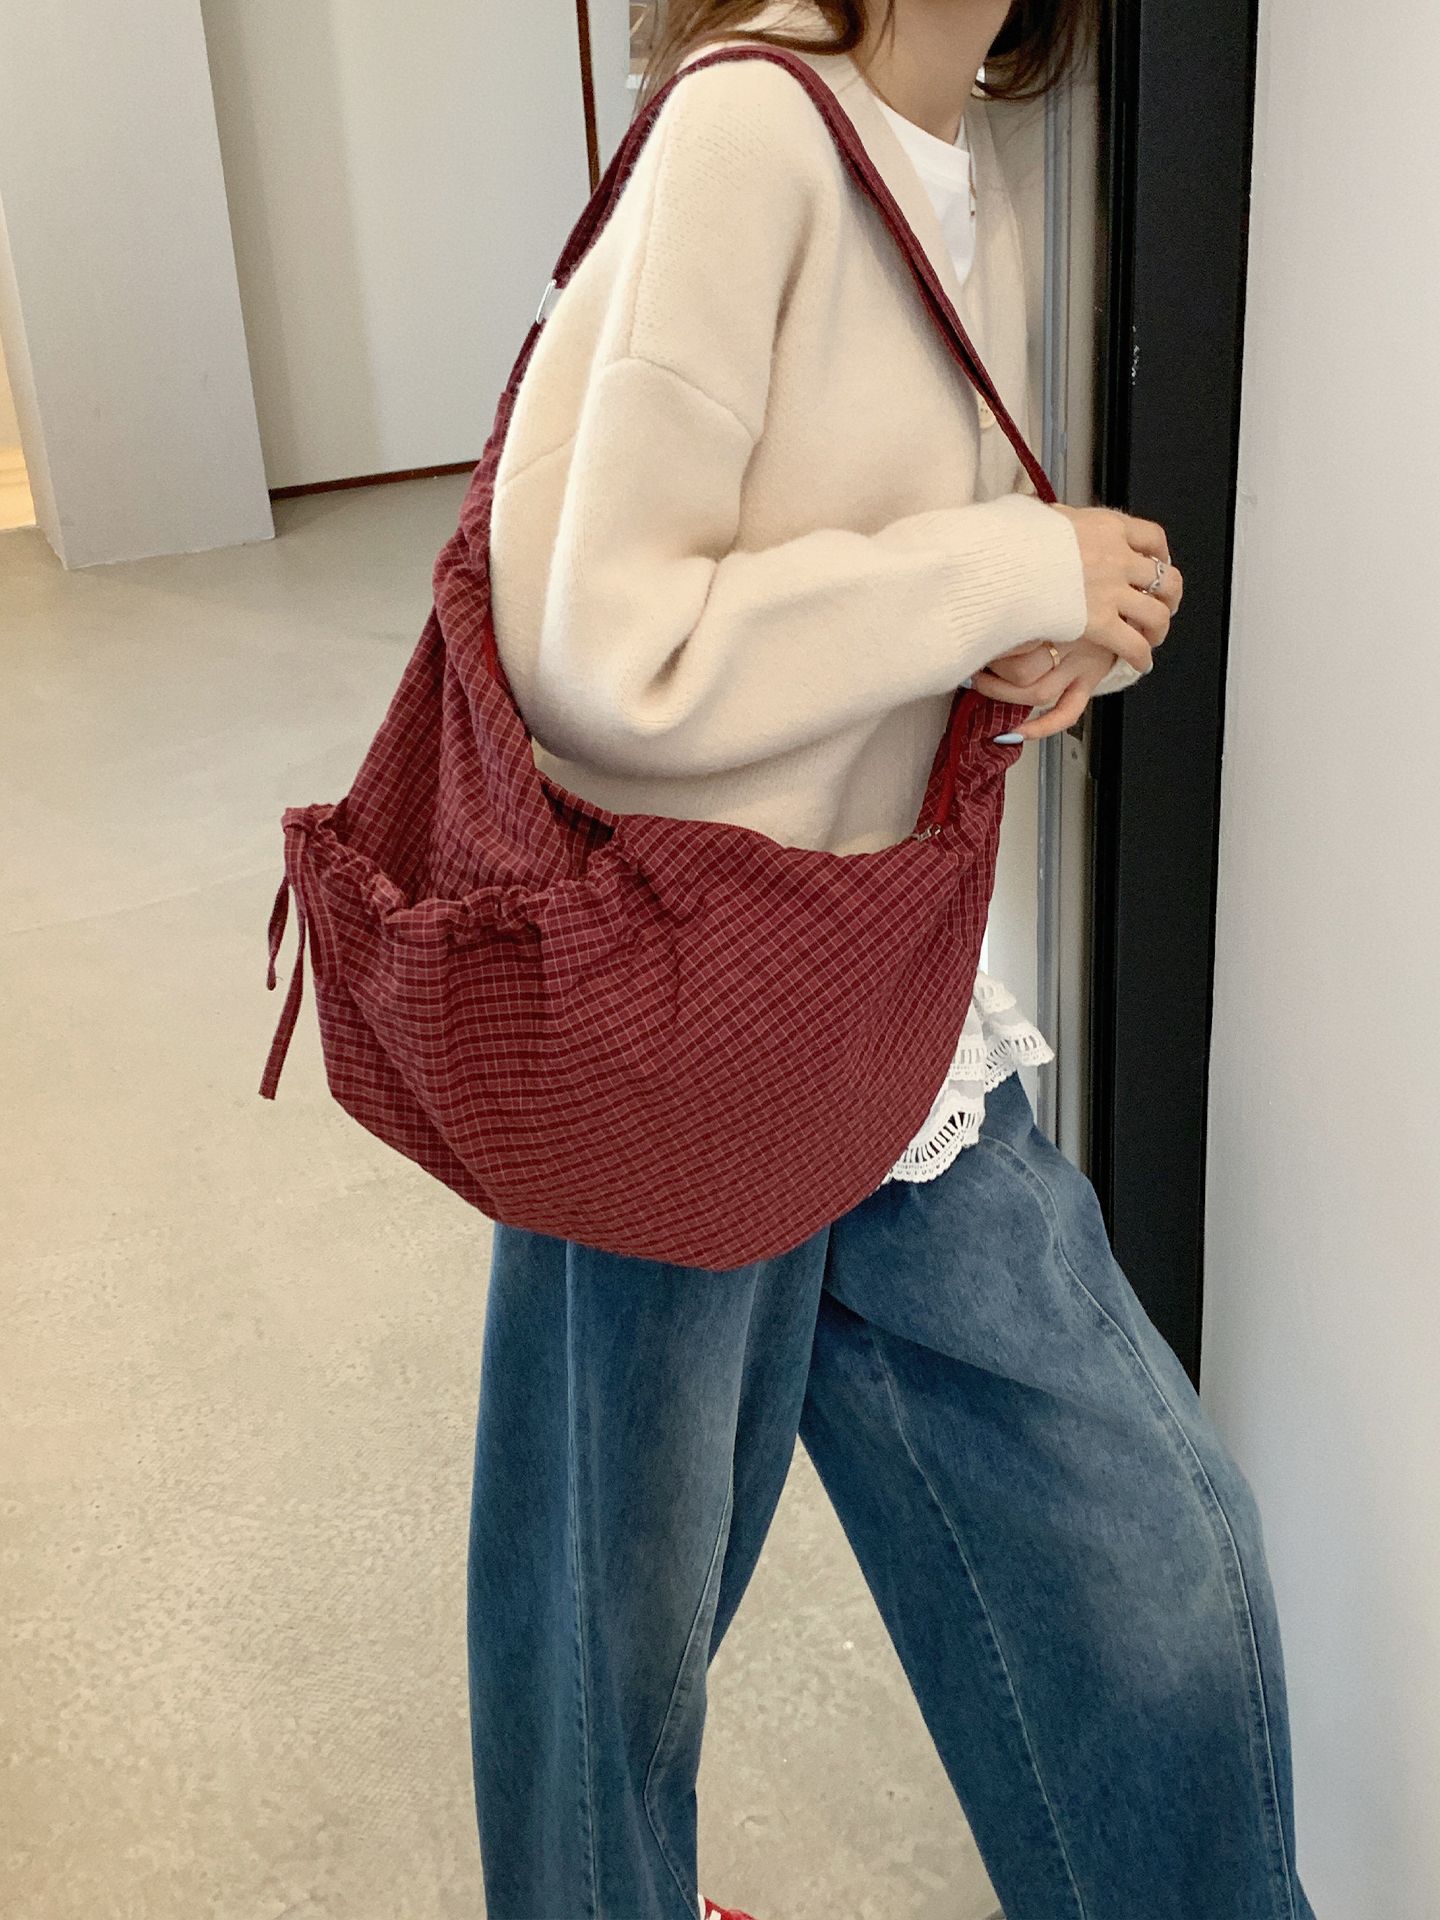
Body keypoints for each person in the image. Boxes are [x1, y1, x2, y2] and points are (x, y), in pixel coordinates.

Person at [466, 4, 1318, 1917]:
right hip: (679, 1034)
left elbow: (864, 576)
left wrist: (1038, 629)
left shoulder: (967, 153)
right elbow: (602, 654)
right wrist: (1003, 571)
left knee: (1155, 1568)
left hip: (892, 1013)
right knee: (608, 1661)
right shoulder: (751, 128)